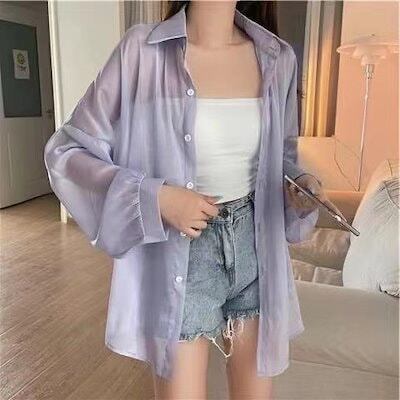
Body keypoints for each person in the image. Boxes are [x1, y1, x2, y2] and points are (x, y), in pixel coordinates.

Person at [44, 1, 342, 399]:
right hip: (182, 256)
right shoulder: (142, 52)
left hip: (255, 249)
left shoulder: (277, 57)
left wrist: (301, 186)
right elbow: (67, 151)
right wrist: (157, 198)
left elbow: (283, 157)